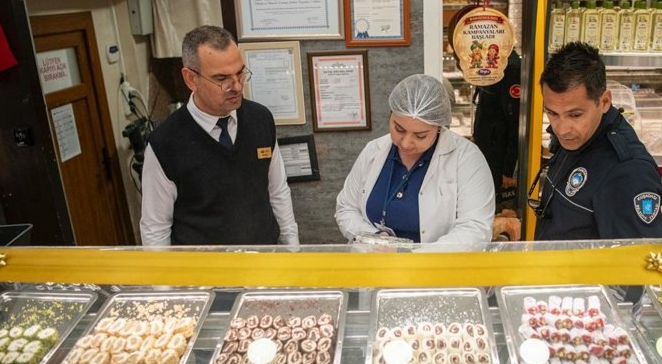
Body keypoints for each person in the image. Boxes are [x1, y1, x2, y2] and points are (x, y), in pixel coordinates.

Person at [140, 25, 299, 246]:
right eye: (222, 78)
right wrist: (166, 280)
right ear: (190, 79)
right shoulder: (165, 144)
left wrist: (293, 249)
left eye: (240, 73)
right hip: (206, 273)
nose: (236, 86)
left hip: (265, 261)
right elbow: (155, 228)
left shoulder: (260, 119)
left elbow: (278, 190)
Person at [335, 74, 494, 244]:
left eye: (420, 135)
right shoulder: (373, 151)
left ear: (439, 128)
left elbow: (475, 228)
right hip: (376, 262)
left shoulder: (466, 159)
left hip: (435, 266)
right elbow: (346, 208)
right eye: (399, 129)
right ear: (391, 116)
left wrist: (414, 256)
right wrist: (374, 238)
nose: (406, 143)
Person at [532, 42, 662, 241]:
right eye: (552, 113)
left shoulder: (627, 172)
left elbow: (635, 261)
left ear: (604, 102)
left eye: (575, 115)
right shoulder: (577, 137)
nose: (562, 128)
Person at [473, 49, 520, 210]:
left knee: (495, 205)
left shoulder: (511, 66)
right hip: (488, 148)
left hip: (497, 152)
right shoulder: (493, 61)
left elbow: (515, 122)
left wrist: (508, 170)